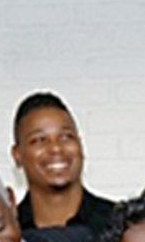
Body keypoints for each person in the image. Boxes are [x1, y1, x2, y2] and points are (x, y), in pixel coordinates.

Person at [12, 92, 116, 232]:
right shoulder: (6, 233)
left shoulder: (121, 225)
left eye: (66, 137)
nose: (56, 148)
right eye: (39, 140)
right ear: (17, 155)